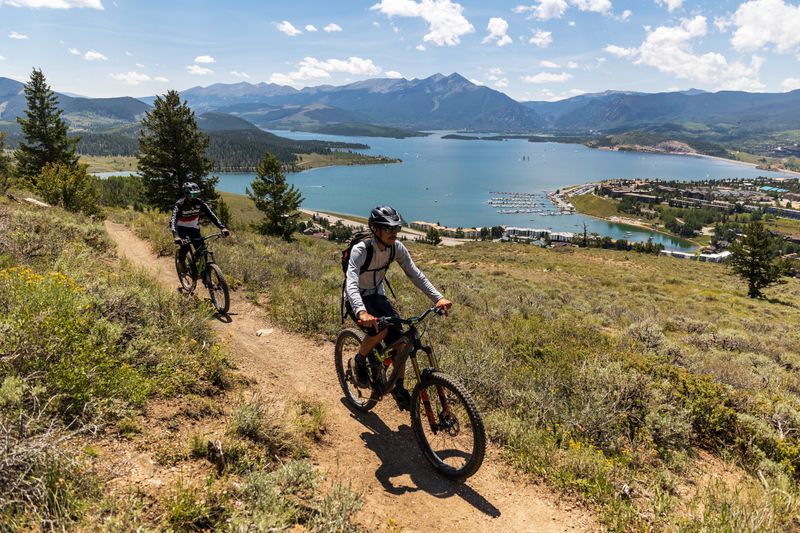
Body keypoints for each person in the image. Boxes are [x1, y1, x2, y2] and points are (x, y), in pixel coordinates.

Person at [344, 205, 451, 411]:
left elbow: (415, 274)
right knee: (379, 330)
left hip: (377, 295)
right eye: (388, 229)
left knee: (401, 342)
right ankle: (360, 360)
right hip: (357, 298)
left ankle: (398, 387)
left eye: (396, 229)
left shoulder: (396, 248)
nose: (394, 233)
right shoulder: (361, 250)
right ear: (376, 229)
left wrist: (438, 298)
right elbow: (351, 282)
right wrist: (361, 312)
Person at [170, 182, 229, 275]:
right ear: (186, 194)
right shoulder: (180, 204)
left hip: (194, 228)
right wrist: (176, 235)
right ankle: (181, 263)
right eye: (192, 194)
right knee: (185, 247)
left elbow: (211, 215)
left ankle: (205, 275)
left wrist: (222, 227)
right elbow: (173, 220)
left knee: (202, 251)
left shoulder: (200, 202)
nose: (194, 197)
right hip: (181, 228)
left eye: (196, 194)